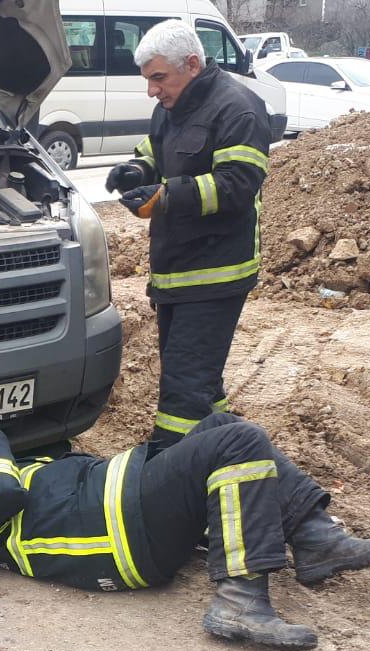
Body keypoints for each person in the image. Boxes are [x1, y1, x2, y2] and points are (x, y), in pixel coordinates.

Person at [0, 418, 370, 651]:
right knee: (237, 442)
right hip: (125, 531)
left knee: (220, 425)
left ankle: (315, 539)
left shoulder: (10, 476)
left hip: (127, 508)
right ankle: (240, 600)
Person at [103, 21, 272, 451]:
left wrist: (164, 198)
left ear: (192, 64)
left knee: (184, 383)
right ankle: (222, 443)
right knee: (197, 377)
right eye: (148, 80)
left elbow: (238, 184)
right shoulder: (171, 106)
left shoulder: (239, 108)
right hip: (176, 269)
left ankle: (170, 465)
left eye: (158, 78)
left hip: (216, 270)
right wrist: (135, 171)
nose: (152, 91)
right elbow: (154, 153)